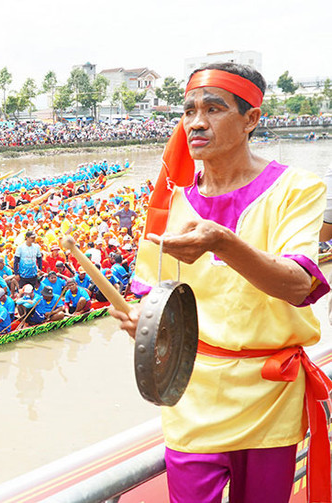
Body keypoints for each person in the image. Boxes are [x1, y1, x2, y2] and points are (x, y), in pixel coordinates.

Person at [110, 63, 331, 503]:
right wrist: (147, 324)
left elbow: (298, 284)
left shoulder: (296, 189)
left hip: (268, 392)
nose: (196, 122)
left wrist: (223, 242)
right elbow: (157, 299)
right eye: (189, 110)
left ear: (251, 119)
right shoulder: (170, 201)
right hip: (192, 392)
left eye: (214, 109)